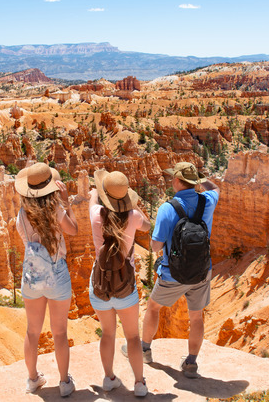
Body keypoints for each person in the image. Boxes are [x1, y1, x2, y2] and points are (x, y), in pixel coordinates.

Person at [135, 162, 219, 379]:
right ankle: (191, 364)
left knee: (153, 308)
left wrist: (162, 252)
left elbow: (155, 245)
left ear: (178, 181)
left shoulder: (167, 208)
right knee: (196, 317)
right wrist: (201, 179)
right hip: (201, 271)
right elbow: (216, 188)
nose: (171, 180)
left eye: (174, 177)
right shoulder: (208, 200)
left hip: (173, 273)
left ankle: (144, 351)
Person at [14, 162, 79, 396]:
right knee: (59, 332)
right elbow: (73, 230)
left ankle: (32, 380)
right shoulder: (55, 210)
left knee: (32, 331)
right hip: (57, 273)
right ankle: (64, 383)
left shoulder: (21, 214)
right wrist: (66, 202)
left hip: (32, 275)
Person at [88, 170, 151, 397]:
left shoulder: (95, 213)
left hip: (100, 284)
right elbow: (146, 225)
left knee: (108, 334)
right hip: (126, 286)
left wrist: (97, 191)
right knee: (133, 336)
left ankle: (109, 379)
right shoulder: (133, 216)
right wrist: (134, 205)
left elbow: (93, 199)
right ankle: (139, 384)